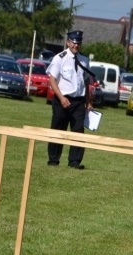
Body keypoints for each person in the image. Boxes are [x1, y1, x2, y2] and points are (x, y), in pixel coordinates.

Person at [46, 30, 94, 169]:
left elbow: (85, 82)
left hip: (78, 101)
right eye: (73, 42)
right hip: (62, 99)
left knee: (78, 131)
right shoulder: (59, 58)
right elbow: (52, 80)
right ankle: (53, 159)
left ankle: (75, 161)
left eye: (78, 43)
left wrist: (88, 101)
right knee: (58, 129)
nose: (76, 45)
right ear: (68, 42)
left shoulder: (84, 60)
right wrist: (61, 98)